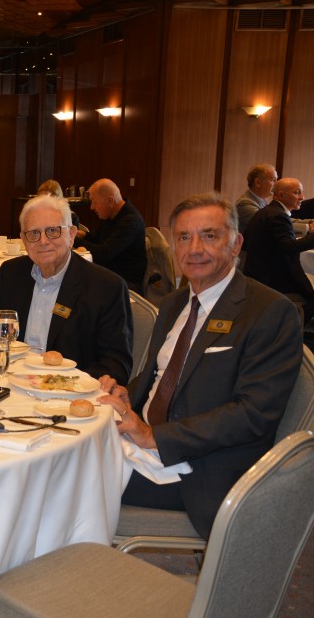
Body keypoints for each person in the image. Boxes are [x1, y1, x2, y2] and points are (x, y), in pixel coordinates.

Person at [98, 193, 302, 538]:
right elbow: (161, 375)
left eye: (209, 235)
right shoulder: (175, 302)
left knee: (66, 478)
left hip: (200, 468)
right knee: (56, 452)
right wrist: (126, 395)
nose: (194, 249)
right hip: (142, 445)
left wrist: (154, 436)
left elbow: (253, 415)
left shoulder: (269, 312)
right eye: (183, 237)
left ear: (236, 244)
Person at [0, 195, 133, 383]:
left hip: (68, 391)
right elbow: (11, 338)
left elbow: (117, 365)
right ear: (23, 239)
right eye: (34, 233)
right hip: (13, 383)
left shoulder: (106, 287)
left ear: (71, 235)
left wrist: (60, 381)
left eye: (53, 231)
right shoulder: (12, 273)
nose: (43, 241)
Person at [243, 177, 314, 322]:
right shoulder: (278, 216)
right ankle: (293, 330)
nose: (302, 197)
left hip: (257, 275)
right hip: (273, 280)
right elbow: (288, 247)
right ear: (281, 195)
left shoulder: (266, 212)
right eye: (297, 193)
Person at [75, 178, 147, 289]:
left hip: (125, 284)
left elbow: (104, 254)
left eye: (95, 201)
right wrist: (82, 235)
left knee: (77, 281)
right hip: (109, 274)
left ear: (110, 200)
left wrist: (74, 240)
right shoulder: (109, 215)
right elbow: (97, 239)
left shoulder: (130, 221)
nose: (92, 207)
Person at [235, 163, 277, 233]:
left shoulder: (263, 201)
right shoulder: (244, 204)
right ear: (258, 182)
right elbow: (272, 225)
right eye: (273, 180)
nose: (276, 184)